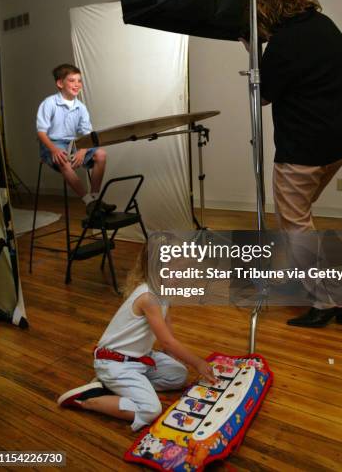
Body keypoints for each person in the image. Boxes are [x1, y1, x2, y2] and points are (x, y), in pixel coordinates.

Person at [242, 0, 342, 328]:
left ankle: (326, 301)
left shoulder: (284, 44)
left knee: (295, 227)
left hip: (303, 150)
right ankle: (330, 291)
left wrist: (253, 51)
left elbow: (262, 95)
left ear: (268, 11)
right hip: (339, 144)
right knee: (301, 220)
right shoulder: (325, 25)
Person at [57, 243, 216, 431]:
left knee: (179, 375)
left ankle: (117, 386)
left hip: (140, 358)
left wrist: (170, 356)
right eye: (178, 271)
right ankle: (87, 401)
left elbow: (167, 326)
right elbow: (166, 340)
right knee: (151, 409)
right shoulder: (149, 296)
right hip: (114, 362)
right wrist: (198, 363)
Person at [36, 64, 115, 215]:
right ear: (60, 83)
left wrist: (83, 151)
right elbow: (41, 132)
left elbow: (88, 134)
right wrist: (54, 149)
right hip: (52, 144)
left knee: (101, 154)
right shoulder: (49, 103)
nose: (77, 84)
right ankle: (87, 200)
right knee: (63, 157)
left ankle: (95, 198)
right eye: (72, 80)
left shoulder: (81, 107)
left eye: (79, 80)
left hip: (72, 144)